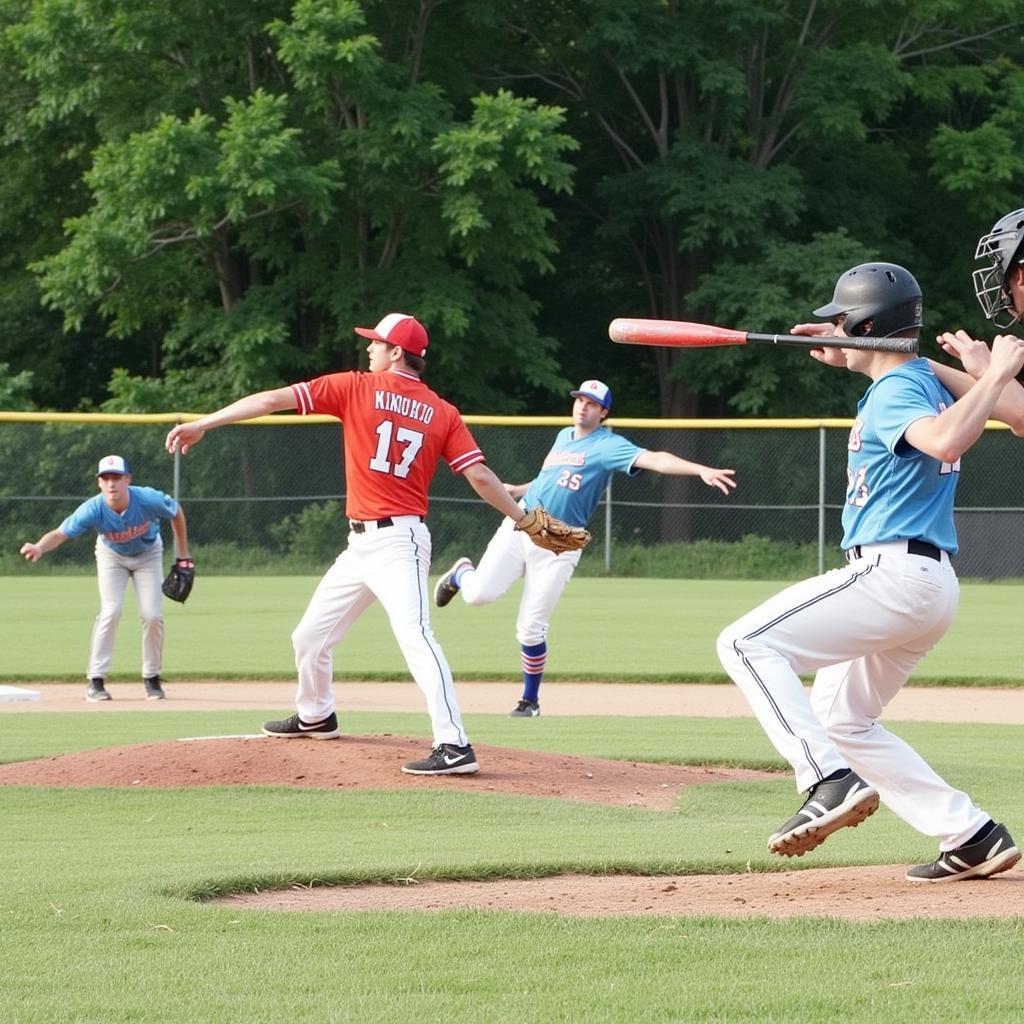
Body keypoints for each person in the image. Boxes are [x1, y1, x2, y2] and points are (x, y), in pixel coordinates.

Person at [716, 262, 1024, 883]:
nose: (830, 330)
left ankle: (826, 779)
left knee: (745, 643)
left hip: (893, 576)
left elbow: (943, 442)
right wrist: (848, 349)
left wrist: (991, 375)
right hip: (925, 585)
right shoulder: (916, 380)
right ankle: (970, 835)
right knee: (844, 719)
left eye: (839, 319)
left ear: (864, 325)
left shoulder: (898, 392)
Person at [164, 313, 542, 776]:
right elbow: (481, 476)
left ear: (396, 352)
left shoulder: (357, 386)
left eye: (377, 343)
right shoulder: (443, 411)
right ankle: (316, 714)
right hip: (363, 545)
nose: (369, 349)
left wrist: (206, 422)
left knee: (416, 638)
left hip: (399, 543)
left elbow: (269, 400)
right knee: (309, 637)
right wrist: (524, 519)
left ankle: (454, 743)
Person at [434, 379, 737, 717]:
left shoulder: (609, 446)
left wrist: (700, 470)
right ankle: (462, 572)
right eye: (580, 399)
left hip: (561, 541)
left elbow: (656, 459)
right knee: (478, 595)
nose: (583, 406)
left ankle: (529, 702)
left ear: (603, 412)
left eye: (592, 403)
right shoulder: (563, 436)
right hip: (522, 523)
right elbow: (550, 476)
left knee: (531, 627)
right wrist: (519, 489)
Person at [20, 454, 191, 702]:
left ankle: (152, 679)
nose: (112, 484)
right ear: (99, 483)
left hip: (148, 554)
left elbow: (176, 511)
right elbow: (61, 533)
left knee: (152, 615)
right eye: (106, 478)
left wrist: (183, 554)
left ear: (128, 479)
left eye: (117, 478)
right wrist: (39, 547)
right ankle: (96, 681)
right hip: (112, 556)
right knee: (111, 611)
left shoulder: (146, 498)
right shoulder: (93, 508)